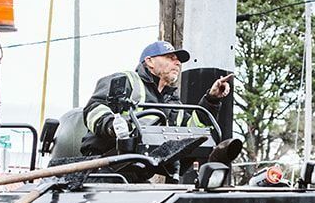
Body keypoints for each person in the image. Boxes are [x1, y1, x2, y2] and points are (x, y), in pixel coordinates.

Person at [82, 40, 232, 155]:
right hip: (101, 163)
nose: (178, 63)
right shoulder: (126, 80)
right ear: (149, 61)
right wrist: (111, 125)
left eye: (178, 60)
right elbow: (94, 107)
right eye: (170, 57)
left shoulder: (173, 102)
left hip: (138, 170)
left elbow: (192, 130)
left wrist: (211, 99)